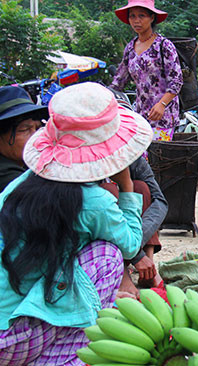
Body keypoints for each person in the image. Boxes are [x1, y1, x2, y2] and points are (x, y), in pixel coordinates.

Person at [0, 82, 153, 365]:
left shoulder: (17, 186)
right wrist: (126, 184)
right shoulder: (93, 201)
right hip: (12, 341)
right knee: (108, 255)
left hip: (7, 324)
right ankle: (67, 358)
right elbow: (131, 245)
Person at [110, 0, 183, 142]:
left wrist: (161, 105)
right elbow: (118, 81)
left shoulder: (164, 46)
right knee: (139, 160)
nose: (136, 21)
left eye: (141, 16)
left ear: (152, 17)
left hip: (163, 116)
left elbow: (176, 81)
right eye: (132, 16)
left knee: (159, 160)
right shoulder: (130, 48)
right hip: (140, 116)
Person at [100, 156, 167, 298]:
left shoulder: (134, 160)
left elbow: (159, 201)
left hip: (130, 232)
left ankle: (149, 267)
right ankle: (122, 272)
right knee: (108, 191)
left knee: (141, 187)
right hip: (99, 232)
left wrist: (136, 246)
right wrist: (136, 255)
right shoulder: (86, 164)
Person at [0, 86, 48, 191]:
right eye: (25, 129)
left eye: (38, 128)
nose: (36, 137)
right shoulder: (7, 178)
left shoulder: (24, 164)